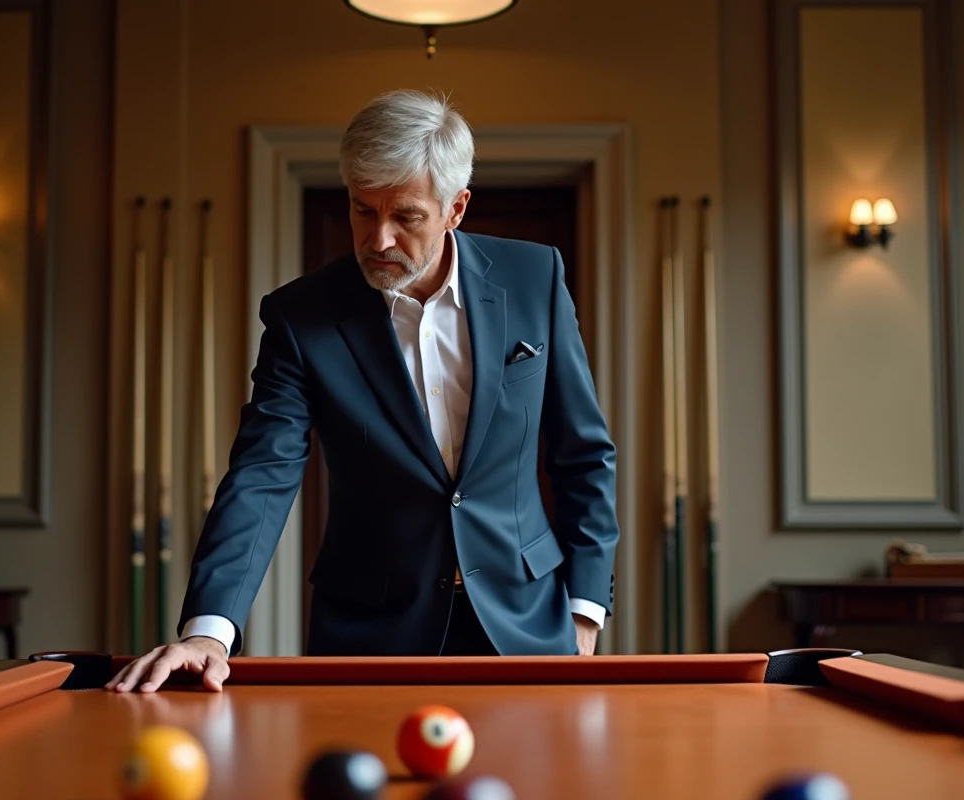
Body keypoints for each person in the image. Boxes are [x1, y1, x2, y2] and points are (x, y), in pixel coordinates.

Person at [107, 89, 619, 694]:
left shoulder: (536, 277)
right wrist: (208, 632)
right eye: (361, 210)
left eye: (406, 216)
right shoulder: (301, 317)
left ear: (456, 208)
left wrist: (586, 609)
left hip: (528, 623)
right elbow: (261, 475)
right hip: (370, 633)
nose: (378, 240)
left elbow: (583, 453)